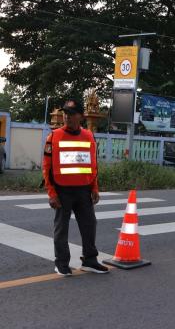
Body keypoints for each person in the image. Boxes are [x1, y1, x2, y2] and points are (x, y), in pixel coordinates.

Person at [42, 99, 109, 276]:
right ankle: (62, 263)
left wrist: (94, 188)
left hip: (84, 190)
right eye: (65, 114)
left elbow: (93, 166)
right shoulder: (53, 136)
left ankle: (90, 260)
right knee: (61, 228)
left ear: (80, 116)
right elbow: (46, 168)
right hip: (62, 191)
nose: (66, 117)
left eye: (71, 114)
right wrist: (52, 193)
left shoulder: (88, 136)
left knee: (89, 225)